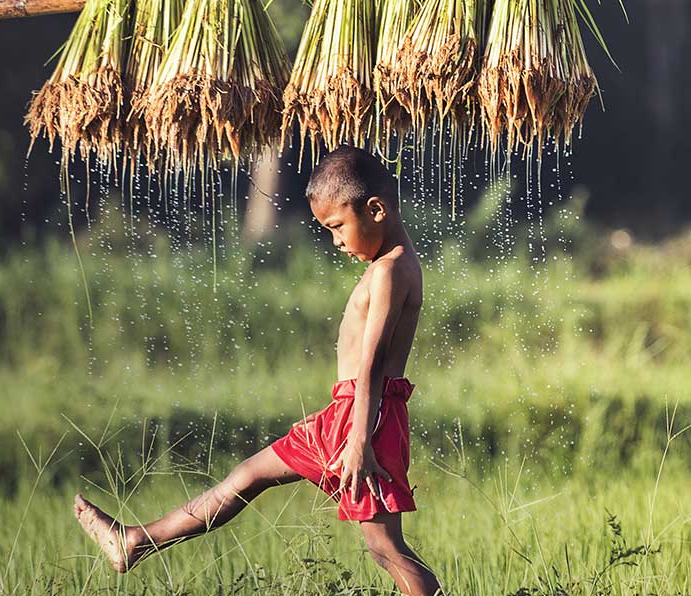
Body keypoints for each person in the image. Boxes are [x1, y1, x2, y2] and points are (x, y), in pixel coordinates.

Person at [71, 146, 439, 595]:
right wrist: (342, 421)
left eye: (337, 227)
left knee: (385, 547)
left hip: (364, 420)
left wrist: (358, 440)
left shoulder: (390, 271)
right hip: (350, 414)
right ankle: (135, 541)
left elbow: (373, 365)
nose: (336, 242)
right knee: (249, 476)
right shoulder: (397, 263)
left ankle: (136, 542)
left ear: (376, 209)